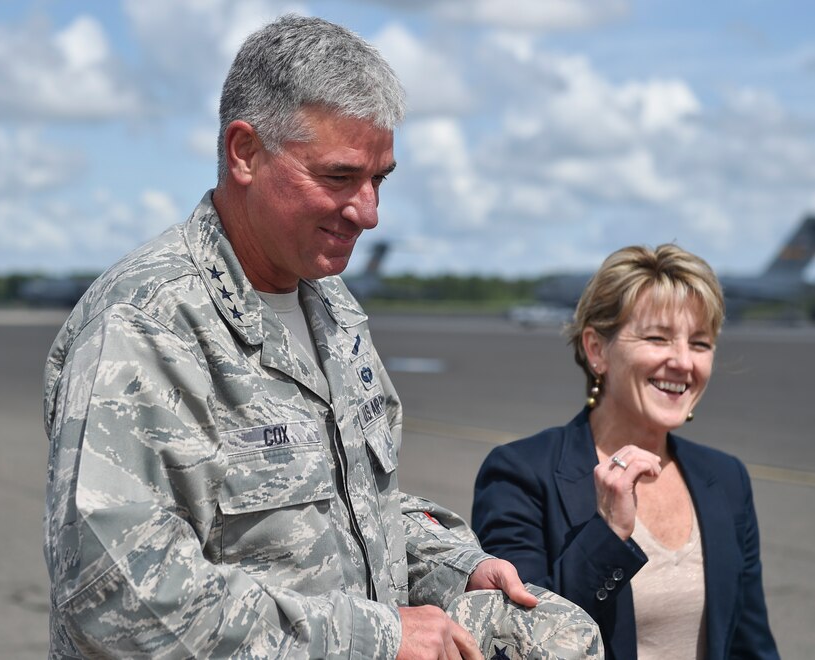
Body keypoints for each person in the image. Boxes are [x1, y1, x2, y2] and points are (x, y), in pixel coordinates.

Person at [43, 15, 602, 659]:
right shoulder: (146, 324)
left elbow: (348, 507)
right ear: (245, 152)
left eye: (379, 180)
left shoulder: (329, 305)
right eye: (339, 178)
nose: (368, 212)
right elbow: (116, 600)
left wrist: (454, 564)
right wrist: (380, 639)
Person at [472, 244, 780, 660]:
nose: (684, 362)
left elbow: (750, 644)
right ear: (597, 350)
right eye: (657, 338)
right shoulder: (520, 473)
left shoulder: (726, 477)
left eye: (701, 343)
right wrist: (607, 533)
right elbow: (516, 643)